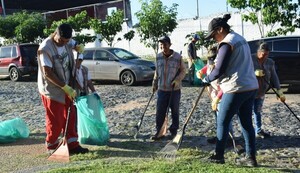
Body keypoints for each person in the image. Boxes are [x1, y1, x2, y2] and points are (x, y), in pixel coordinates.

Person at [201, 14, 259, 167]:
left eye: (214, 34)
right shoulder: (240, 38)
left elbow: (219, 69)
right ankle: (250, 158)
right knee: (246, 123)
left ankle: (218, 156)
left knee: (222, 121)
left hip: (236, 88)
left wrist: (206, 79)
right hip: (250, 86)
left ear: (220, 29)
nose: (214, 38)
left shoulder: (227, 43)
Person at [37, 23, 89, 155]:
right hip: (52, 90)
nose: (63, 44)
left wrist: (80, 54)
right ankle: (52, 146)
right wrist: (64, 87)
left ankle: (72, 144)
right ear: (56, 34)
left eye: (66, 41)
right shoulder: (45, 48)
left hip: (68, 86)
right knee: (56, 119)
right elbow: (47, 73)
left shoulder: (68, 41)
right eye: (61, 41)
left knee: (71, 115)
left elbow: (78, 47)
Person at [197, 46, 236, 145]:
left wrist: (218, 98)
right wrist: (201, 71)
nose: (211, 64)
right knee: (218, 118)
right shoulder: (210, 62)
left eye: (213, 61)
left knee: (224, 118)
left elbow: (225, 86)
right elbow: (208, 67)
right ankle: (220, 136)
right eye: (209, 60)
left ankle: (228, 139)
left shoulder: (223, 67)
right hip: (213, 95)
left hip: (223, 95)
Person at [151, 35, 186, 140]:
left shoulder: (177, 57)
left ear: (170, 45)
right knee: (160, 111)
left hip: (174, 90)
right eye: (161, 45)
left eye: (165, 44)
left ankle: (174, 131)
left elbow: (183, 71)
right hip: (162, 89)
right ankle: (159, 132)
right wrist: (154, 83)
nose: (163, 47)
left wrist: (177, 79)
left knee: (174, 111)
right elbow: (157, 72)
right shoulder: (158, 57)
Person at [252, 42, 286, 138]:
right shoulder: (250, 59)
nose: (265, 57)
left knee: (257, 111)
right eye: (263, 54)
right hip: (249, 92)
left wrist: (279, 90)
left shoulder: (270, 62)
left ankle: (258, 130)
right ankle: (248, 132)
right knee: (246, 113)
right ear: (258, 52)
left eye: (267, 54)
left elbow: (274, 76)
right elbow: (243, 71)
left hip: (261, 92)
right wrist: (253, 73)